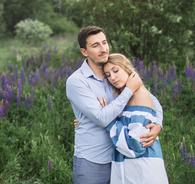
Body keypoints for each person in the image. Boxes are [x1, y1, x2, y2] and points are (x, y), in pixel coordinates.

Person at [66, 26, 163, 184]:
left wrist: (158, 124)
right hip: (93, 162)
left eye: (104, 42)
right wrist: (128, 90)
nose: (103, 49)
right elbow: (102, 118)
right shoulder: (77, 81)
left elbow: (152, 100)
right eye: (95, 45)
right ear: (84, 51)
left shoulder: (114, 74)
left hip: (121, 159)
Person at [102, 53, 168, 184]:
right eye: (108, 75)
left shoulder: (139, 95)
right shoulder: (124, 96)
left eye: (116, 70)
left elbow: (135, 145)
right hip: (131, 169)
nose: (113, 77)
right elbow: (157, 105)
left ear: (127, 69)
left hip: (143, 170)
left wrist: (107, 122)